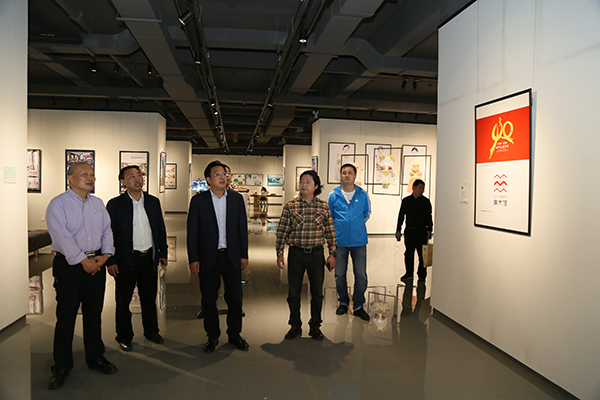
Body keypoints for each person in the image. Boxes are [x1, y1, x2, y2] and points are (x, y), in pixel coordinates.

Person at [45, 162, 116, 389]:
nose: (90, 177)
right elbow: (62, 237)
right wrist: (83, 261)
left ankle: (95, 356)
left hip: (96, 263)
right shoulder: (58, 204)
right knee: (66, 317)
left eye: (92, 174)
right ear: (70, 179)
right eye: (84, 174)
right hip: (69, 267)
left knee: (94, 314)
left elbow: (107, 231)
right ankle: (61, 365)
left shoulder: (98, 203)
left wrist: (105, 256)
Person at [187, 160, 249, 353]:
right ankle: (212, 336)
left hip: (231, 256)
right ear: (208, 179)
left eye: (224, 174)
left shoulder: (236, 199)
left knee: (235, 299)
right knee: (209, 300)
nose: (223, 177)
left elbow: (242, 229)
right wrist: (193, 258)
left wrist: (244, 254)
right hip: (208, 257)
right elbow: (192, 232)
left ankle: (234, 335)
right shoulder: (198, 201)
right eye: (217, 174)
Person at [105, 165, 168, 352]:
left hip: (148, 258)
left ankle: (151, 331)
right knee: (123, 301)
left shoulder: (153, 202)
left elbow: (160, 228)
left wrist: (163, 252)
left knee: (149, 298)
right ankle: (124, 336)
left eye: (139, 175)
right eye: (131, 176)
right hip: (126, 259)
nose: (137, 179)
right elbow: (108, 234)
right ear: (123, 182)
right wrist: (111, 260)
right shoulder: (115, 204)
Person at [276, 170, 337, 340]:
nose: (303, 184)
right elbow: (282, 230)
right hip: (296, 254)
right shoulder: (291, 205)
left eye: (308, 182)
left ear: (316, 186)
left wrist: (332, 253)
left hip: (316, 255)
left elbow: (330, 232)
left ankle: (315, 325)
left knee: (317, 293)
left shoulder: (323, 207)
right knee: (293, 292)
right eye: (302, 181)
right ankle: (295, 325)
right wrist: (279, 252)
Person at [327, 163, 371, 321]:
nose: (347, 175)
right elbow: (329, 216)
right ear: (340, 175)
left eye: (350, 173)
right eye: (344, 173)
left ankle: (358, 305)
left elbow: (366, 213)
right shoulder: (333, 195)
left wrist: (355, 225)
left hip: (359, 241)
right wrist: (341, 228)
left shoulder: (362, 194)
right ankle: (343, 302)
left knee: (361, 274)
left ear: (355, 176)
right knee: (339, 274)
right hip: (339, 242)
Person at [396, 179, 433, 283]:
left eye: (423, 189)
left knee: (422, 255)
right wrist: (398, 229)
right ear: (414, 188)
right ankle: (409, 273)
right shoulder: (406, 201)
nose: (421, 191)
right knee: (409, 253)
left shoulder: (425, 202)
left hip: (422, 232)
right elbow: (401, 216)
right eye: (419, 188)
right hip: (410, 231)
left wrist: (430, 230)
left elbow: (429, 217)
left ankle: (422, 275)